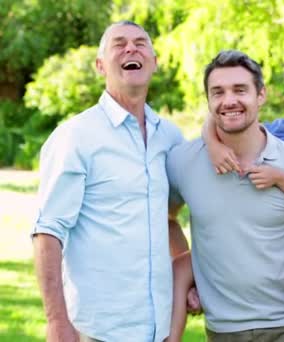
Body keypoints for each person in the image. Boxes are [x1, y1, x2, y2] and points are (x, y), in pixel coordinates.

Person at [168, 72, 284, 342]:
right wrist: (212, 144)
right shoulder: (282, 133)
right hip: (236, 291)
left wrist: (280, 178)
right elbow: (226, 119)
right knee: (181, 265)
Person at [31, 21, 184, 341]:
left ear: (154, 62)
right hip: (98, 329)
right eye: (119, 43)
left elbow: (167, 217)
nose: (131, 48)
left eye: (141, 43)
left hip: (159, 327)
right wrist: (57, 322)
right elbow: (47, 232)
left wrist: (186, 283)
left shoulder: (169, 137)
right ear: (100, 66)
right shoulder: (76, 136)